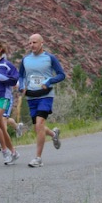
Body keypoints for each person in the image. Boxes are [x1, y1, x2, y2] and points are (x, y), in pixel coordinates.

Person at [18, 33, 66, 168]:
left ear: (41, 43)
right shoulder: (25, 60)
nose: (32, 45)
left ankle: (38, 158)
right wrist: (21, 86)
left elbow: (62, 75)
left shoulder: (50, 58)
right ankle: (53, 134)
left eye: (35, 42)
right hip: (31, 96)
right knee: (37, 127)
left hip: (46, 95)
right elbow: (21, 76)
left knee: (39, 124)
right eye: (30, 43)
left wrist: (49, 80)